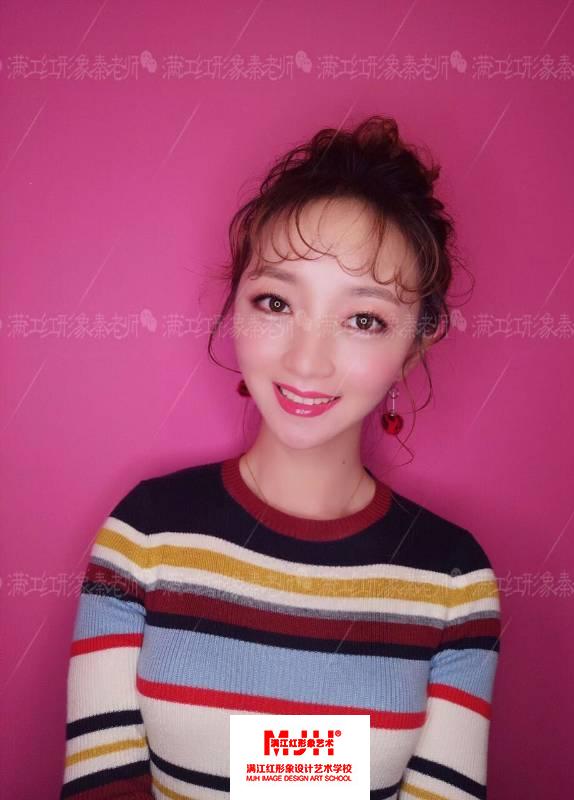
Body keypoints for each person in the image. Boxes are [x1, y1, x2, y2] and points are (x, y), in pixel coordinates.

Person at [59, 116, 501, 800]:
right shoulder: (143, 536)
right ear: (236, 307)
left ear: (414, 346)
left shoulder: (454, 582)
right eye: (276, 302)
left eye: (363, 319)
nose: (306, 360)